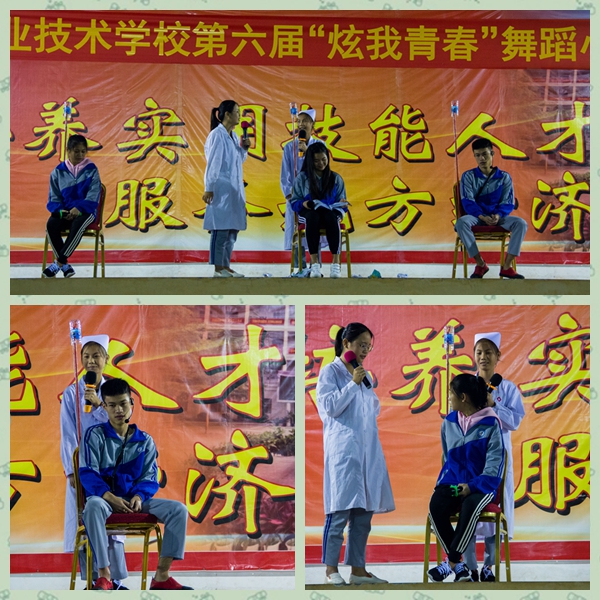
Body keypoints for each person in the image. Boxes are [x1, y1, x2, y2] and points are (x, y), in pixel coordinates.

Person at [80, 378, 192, 590]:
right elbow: (88, 473)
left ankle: (161, 576)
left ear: (132, 403)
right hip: (104, 501)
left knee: (178, 510)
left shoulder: (145, 441)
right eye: (112, 405)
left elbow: (150, 477)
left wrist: (139, 497)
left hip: (134, 502)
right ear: (104, 407)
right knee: (92, 506)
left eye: (123, 403)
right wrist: (109, 497)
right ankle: (104, 575)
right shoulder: (94, 436)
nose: (118, 410)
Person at [316, 323, 394, 585]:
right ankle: (330, 570)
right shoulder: (330, 372)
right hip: (344, 452)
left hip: (367, 451)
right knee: (338, 512)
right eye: (361, 344)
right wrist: (352, 384)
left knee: (363, 515)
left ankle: (358, 571)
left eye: (368, 346)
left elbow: (374, 409)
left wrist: (361, 383)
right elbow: (330, 407)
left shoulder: (363, 375)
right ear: (346, 343)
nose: (365, 350)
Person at [59, 334, 128, 590]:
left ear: (106, 359)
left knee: (112, 524)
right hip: (84, 469)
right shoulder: (71, 394)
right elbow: (68, 434)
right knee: (85, 521)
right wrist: (71, 472)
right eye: (86, 356)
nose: (91, 361)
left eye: (96, 356)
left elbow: (121, 426)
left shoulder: (115, 391)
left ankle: (115, 581)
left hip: (111, 467)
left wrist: (100, 406)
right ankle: (92, 581)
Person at [427, 373, 504, 584]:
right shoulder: (449, 422)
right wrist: (448, 484)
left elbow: (494, 466)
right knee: (436, 505)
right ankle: (459, 567)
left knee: (470, 506)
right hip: (453, 482)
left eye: (451, 394)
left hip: (482, 486)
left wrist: (472, 486)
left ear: (463, 397)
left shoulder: (491, 424)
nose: (448, 398)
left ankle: (451, 562)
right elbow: (448, 458)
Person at [463, 332, 525, 582]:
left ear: (498, 356)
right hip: (471, 458)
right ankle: (469, 567)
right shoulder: (466, 386)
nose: (483, 357)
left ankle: (489, 566)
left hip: (497, 460)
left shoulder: (507, 388)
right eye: (479, 352)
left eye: (488, 352)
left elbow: (515, 422)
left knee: (495, 510)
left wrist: (494, 405)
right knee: (467, 507)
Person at [455, 138, 527, 279]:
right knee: (461, 223)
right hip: (477, 217)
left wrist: (498, 215)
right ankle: (480, 264)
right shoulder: (468, 176)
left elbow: (508, 202)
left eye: (485, 154)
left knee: (521, 223)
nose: (481, 158)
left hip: (498, 218)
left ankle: (507, 267)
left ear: (492, 153)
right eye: (477, 155)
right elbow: (468, 202)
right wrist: (481, 216)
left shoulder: (504, 177)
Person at [202, 100, 251, 278]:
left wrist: (244, 149)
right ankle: (218, 268)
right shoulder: (217, 135)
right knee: (221, 230)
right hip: (220, 189)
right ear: (227, 115)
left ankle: (226, 266)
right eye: (237, 112)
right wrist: (209, 187)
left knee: (232, 231)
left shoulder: (234, 136)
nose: (239, 115)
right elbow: (213, 163)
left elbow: (237, 161)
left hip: (234, 190)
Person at [43, 134, 102, 278]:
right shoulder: (57, 172)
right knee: (51, 224)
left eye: (83, 151)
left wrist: (79, 208)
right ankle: (65, 266)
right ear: (68, 151)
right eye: (76, 151)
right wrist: (61, 211)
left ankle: (59, 262)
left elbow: (93, 195)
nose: (80, 155)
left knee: (78, 224)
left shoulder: (92, 170)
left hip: (86, 212)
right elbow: (54, 198)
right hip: (66, 211)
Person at [290, 142, 348, 279]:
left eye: (324, 159)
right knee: (313, 217)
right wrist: (303, 203)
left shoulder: (336, 178)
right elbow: (294, 202)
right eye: (316, 161)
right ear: (310, 161)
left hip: (330, 212)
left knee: (331, 217)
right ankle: (314, 264)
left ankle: (336, 264)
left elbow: (343, 203)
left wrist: (342, 203)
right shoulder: (302, 178)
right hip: (309, 212)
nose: (321, 163)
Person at [280, 108, 321, 270]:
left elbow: (322, 171)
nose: (302, 124)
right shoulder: (289, 147)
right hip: (296, 198)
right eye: (299, 121)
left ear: (313, 124)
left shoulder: (319, 145)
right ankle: (299, 269)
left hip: (314, 197)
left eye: (305, 121)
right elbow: (285, 176)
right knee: (297, 233)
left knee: (314, 230)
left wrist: (307, 152)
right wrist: (291, 196)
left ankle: (315, 267)